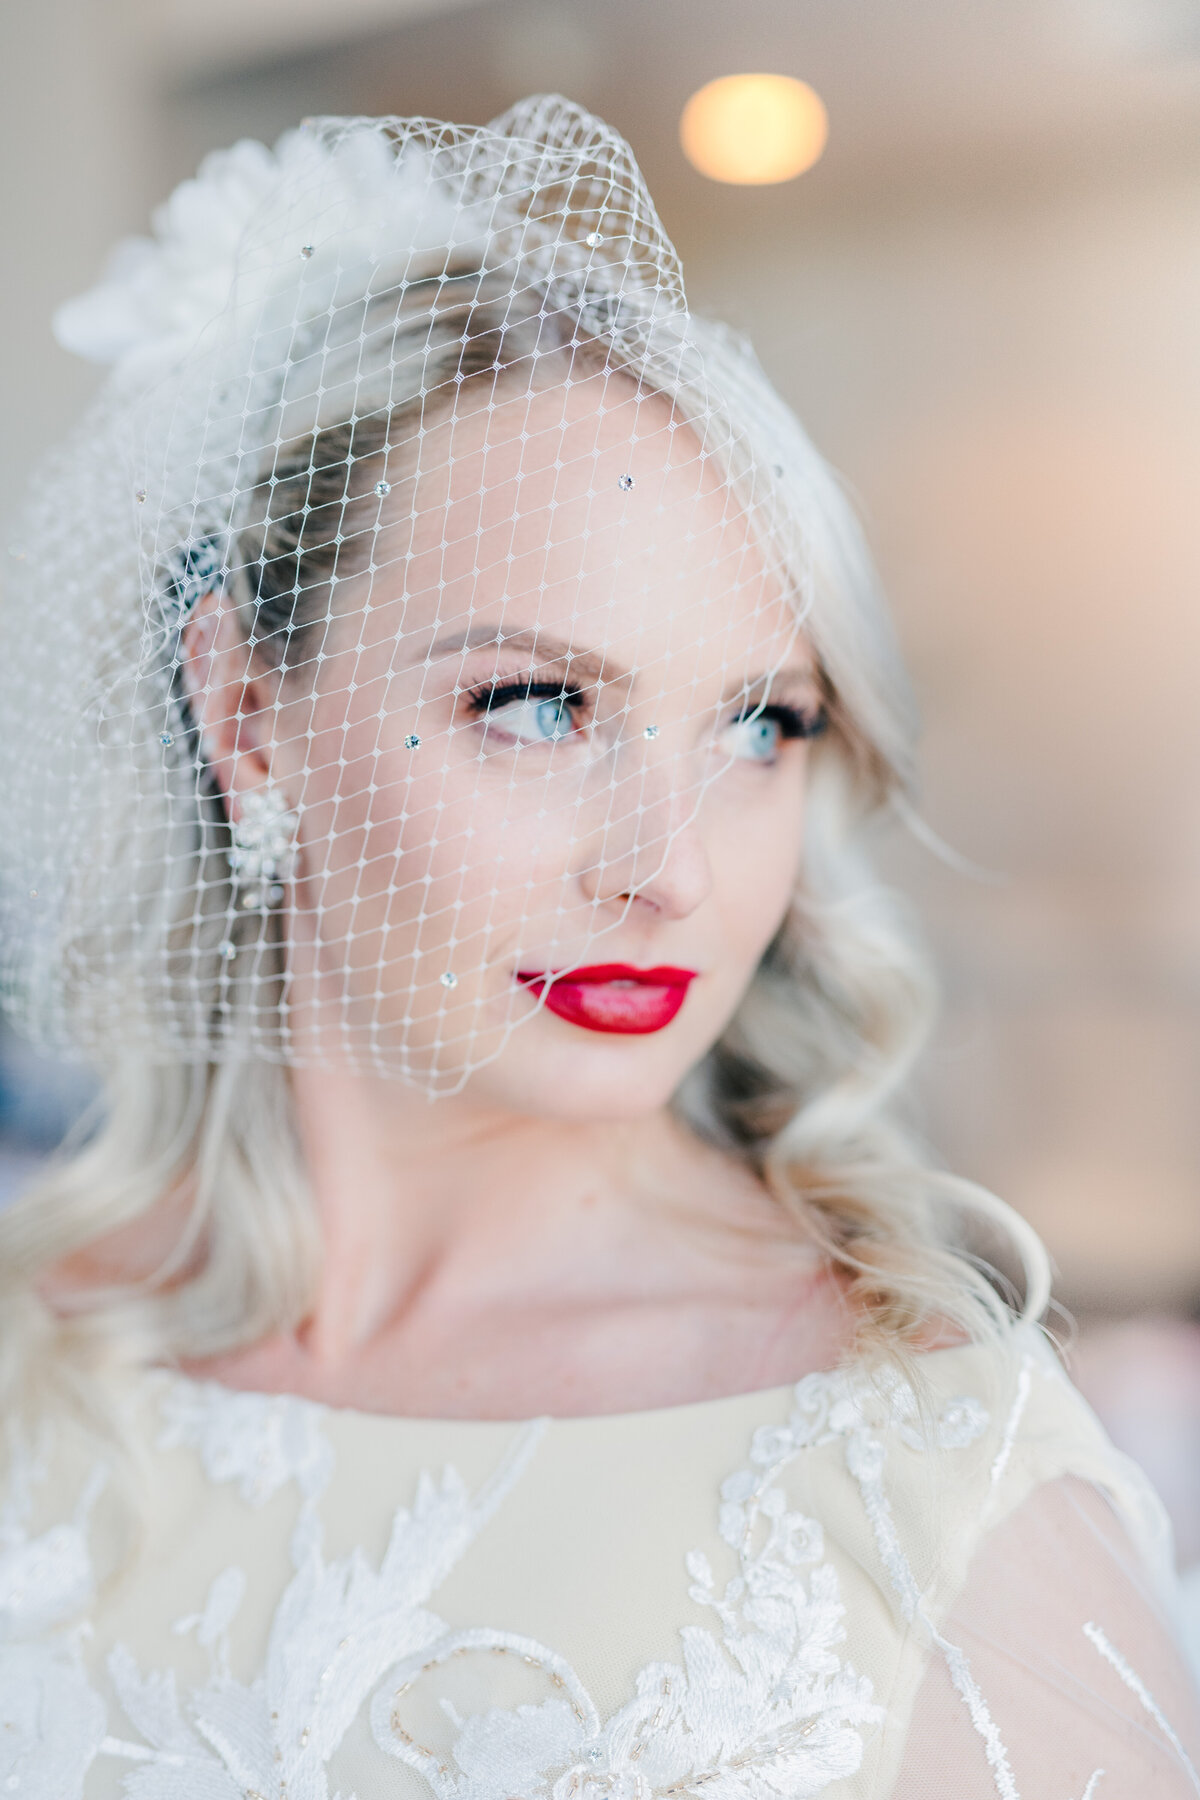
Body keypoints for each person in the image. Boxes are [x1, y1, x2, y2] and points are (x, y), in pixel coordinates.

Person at [0, 97, 1195, 1800]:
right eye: (540, 704)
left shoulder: (932, 1499)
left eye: (761, 726)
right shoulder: (41, 1357)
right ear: (247, 713)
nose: (673, 872)